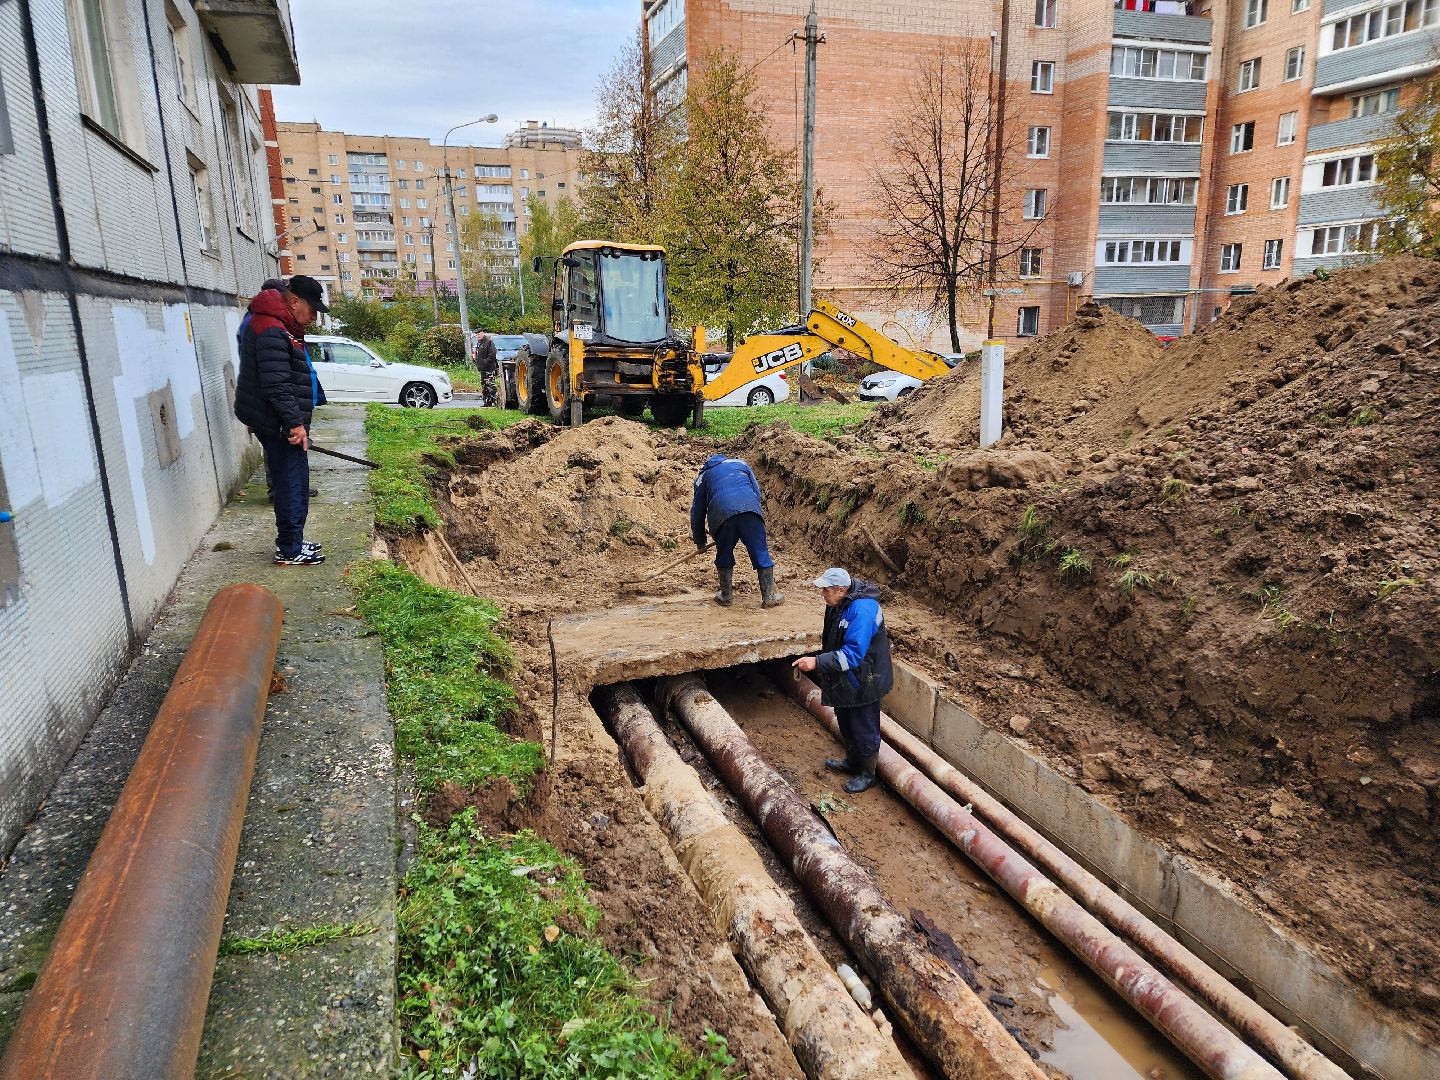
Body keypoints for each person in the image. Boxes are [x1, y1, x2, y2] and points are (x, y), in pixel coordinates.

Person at [234, 274, 329, 565]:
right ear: (295, 301)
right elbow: (277, 384)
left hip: (281, 421)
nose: (313, 316)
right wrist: (295, 424)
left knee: (297, 480)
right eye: (312, 310)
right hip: (278, 424)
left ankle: (294, 541)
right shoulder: (271, 328)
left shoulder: (281, 325)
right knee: (290, 483)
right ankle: (289, 549)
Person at [792, 567, 893, 793]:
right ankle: (852, 761)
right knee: (846, 721)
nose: (822, 595)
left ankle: (868, 774)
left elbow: (854, 654)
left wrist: (817, 662)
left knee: (864, 726)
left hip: (864, 679)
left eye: (825, 591)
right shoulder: (837, 604)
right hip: (846, 676)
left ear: (840, 589)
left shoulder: (863, 610)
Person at [690, 454, 783, 607]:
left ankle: (726, 596)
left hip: (722, 515)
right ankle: (769, 597)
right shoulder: (741, 464)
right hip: (750, 509)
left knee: (724, 552)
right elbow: (757, 493)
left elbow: (697, 511)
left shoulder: (704, 475)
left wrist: (700, 540)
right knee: (760, 552)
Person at [475, 331, 499, 406]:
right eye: (476, 335)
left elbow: (492, 354)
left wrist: (485, 363)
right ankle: (487, 402)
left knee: (491, 385)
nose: (477, 336)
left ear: (482, 333)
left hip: (489, 368)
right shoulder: (479, 343)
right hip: (482, 369)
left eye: (478, 334)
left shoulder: (488, 342)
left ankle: (495, 402)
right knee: (484, 386)